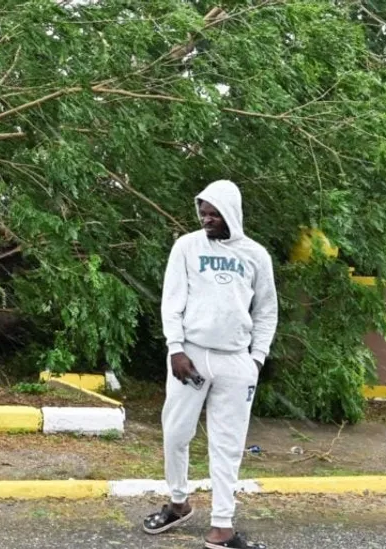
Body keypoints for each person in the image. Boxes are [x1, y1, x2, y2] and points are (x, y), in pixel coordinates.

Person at [141, 179, 278, 549]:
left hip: (236, 362)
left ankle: (222, 527)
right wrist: (175, 348)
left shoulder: (256, 255)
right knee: (176, 432)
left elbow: (266, 311)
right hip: (192, 356)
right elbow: (172, 302)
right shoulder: (186, 247)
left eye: (215, 213)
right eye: (203, 213)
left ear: (231, 212)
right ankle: (178, 501)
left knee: (228, 444)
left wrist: (256, 360)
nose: (207, 220)